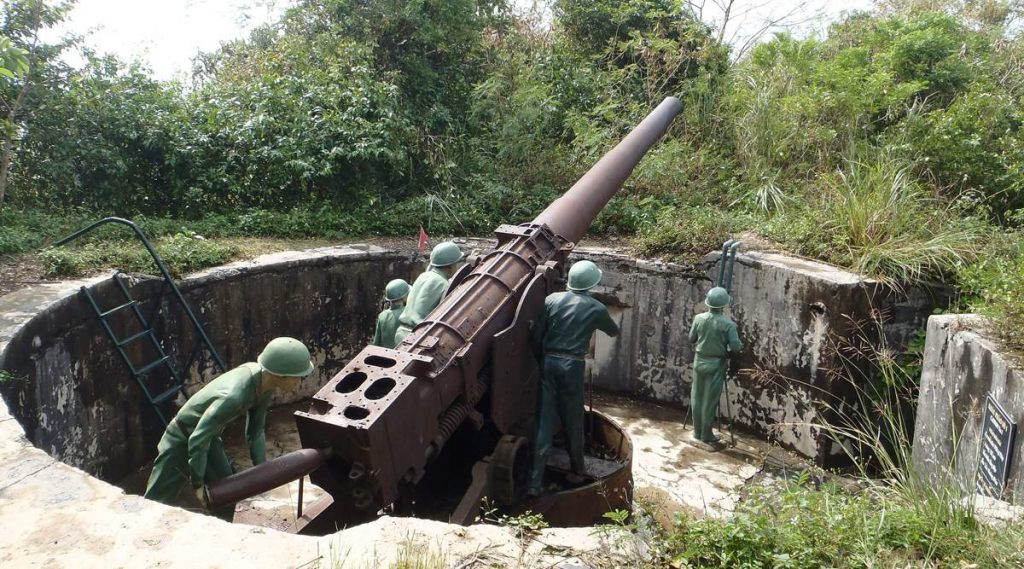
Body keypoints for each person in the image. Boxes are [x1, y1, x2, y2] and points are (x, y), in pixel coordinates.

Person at [143, 337, 315, 519]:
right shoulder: (234, 396)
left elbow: (255, 431)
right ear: (280, 375)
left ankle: (222, 536)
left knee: (226, 495)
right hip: (181, 437)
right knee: (157, 500)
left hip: (209, 439)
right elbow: (197, 439)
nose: (300, 382)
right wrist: (198, 485)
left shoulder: (265, 383)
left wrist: (263, 472)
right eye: (298, 377)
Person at [526, 260, 619, 497]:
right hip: (573, 365)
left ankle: (534, 483)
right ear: (592, 283)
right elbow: (612, 330)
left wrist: (543, 360)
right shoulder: (596, 308)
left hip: (549, 361)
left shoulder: (551, 300)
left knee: (543, 422)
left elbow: (536, 335)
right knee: (573, 418)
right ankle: (578, 468)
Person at [688, 286, 742, 449]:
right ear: (724, 305)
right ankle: (706, 434)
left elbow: (692, 338)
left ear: (708, 303)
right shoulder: (728, 325)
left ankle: (697, 432)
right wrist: (738, 345)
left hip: (699, 360)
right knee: (709, 400)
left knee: (696, 396)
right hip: (716, 363)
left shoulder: (699, 318)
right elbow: (735, 347)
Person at [393, 241, 464, 345]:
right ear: (449, 268)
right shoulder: (443, 284)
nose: (456, 267)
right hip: (419, 337)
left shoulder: (423, 276)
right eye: (456, 264)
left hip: (401, 333)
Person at [372, 278, 410, 349]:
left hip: (387, 357)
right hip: (404, 355)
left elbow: (376, 344)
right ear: (404, 298)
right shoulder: (408, 312)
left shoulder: (382, 316)